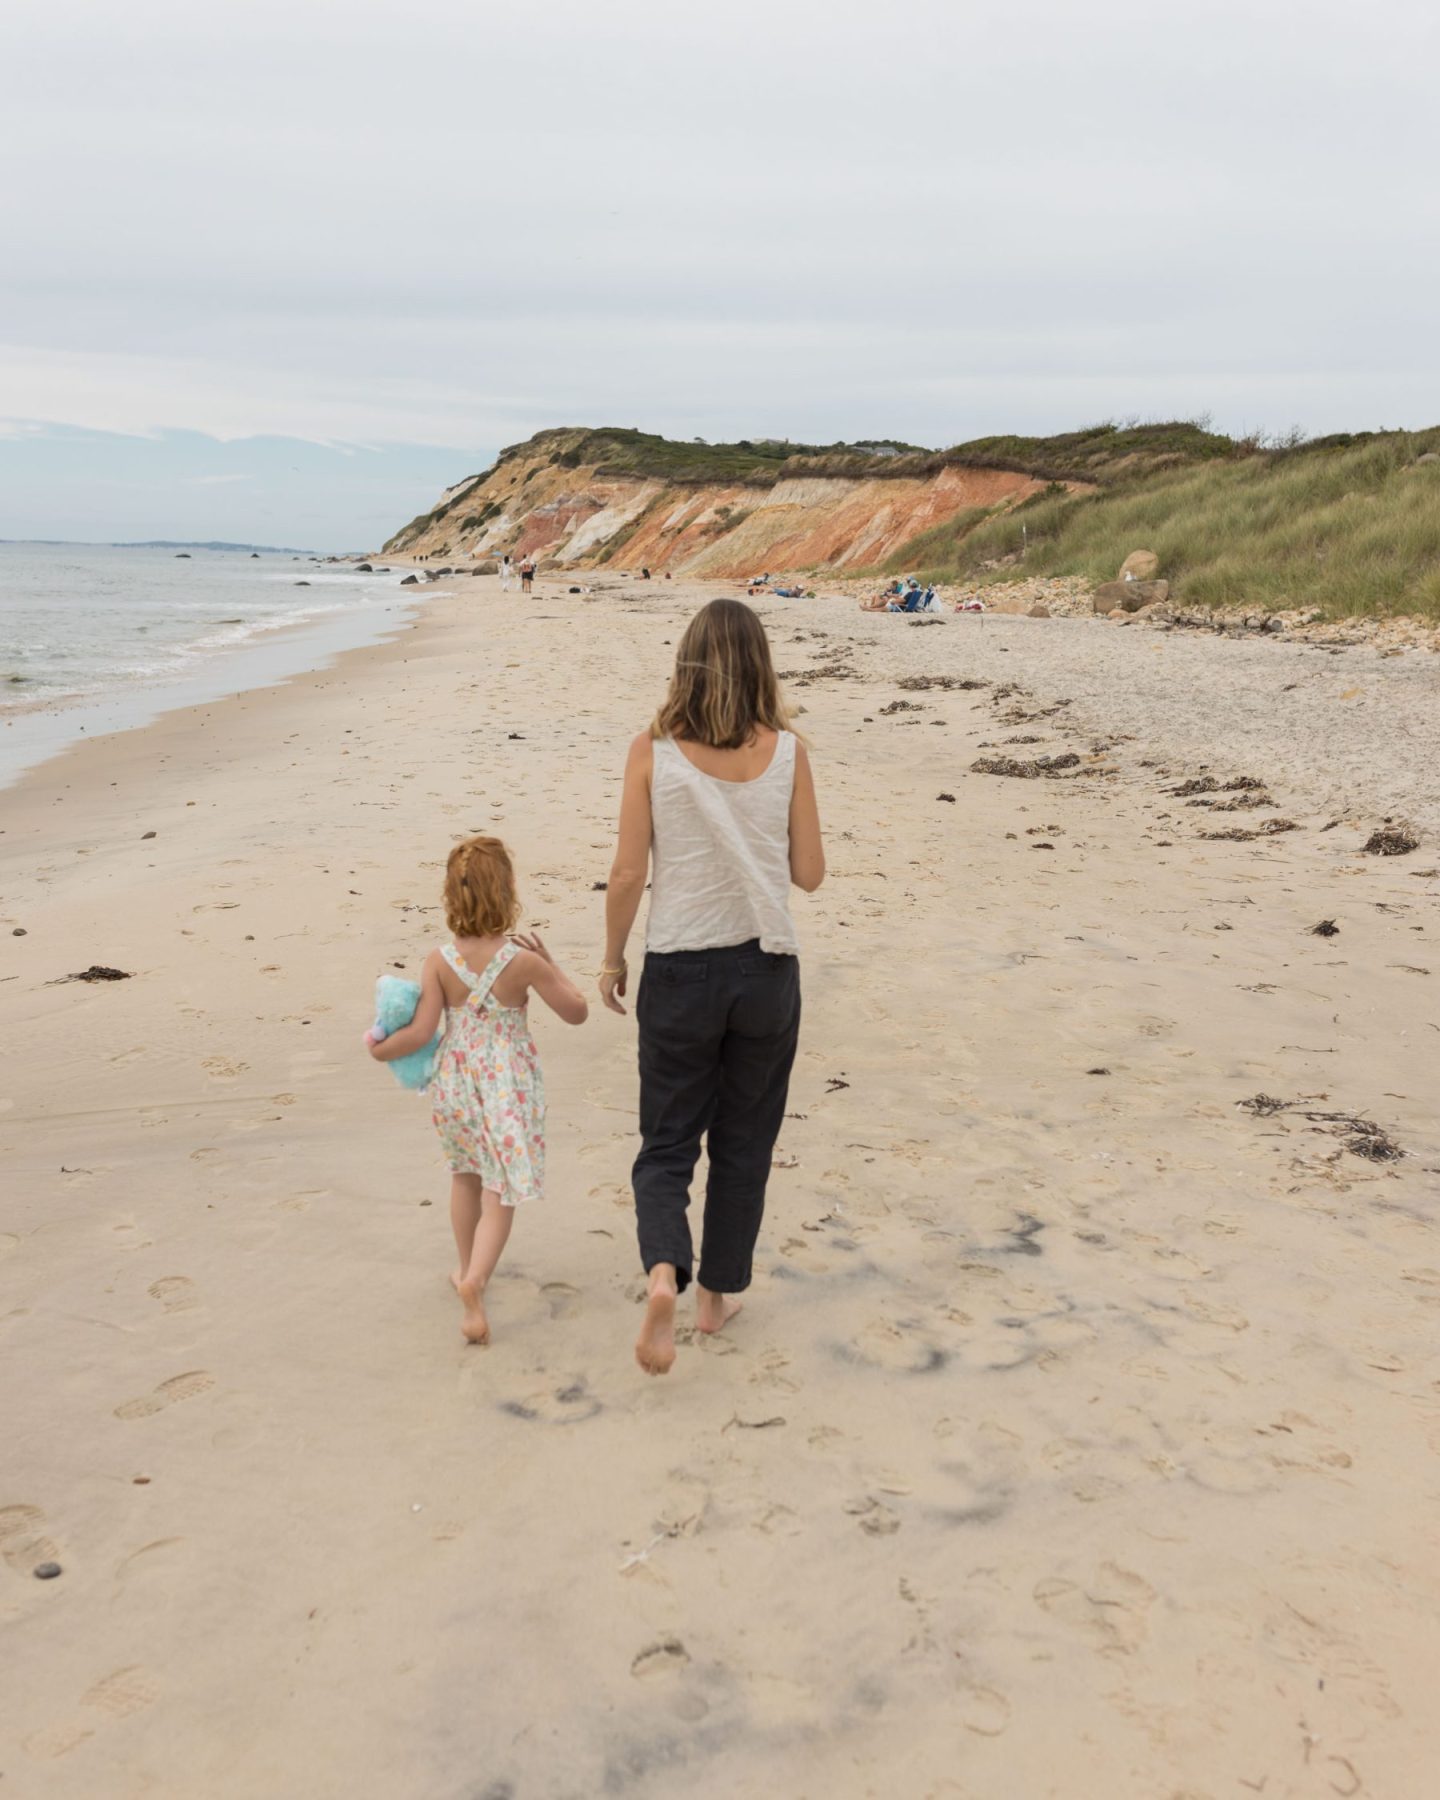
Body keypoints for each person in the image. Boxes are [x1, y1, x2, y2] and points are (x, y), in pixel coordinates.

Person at [599, 598, 826, 1376]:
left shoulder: (650, 751)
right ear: (760, 663)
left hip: (680, 967)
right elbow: (811, 874)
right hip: (765, 969)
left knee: (666, 1142)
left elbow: (629, 872)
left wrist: (611, 957)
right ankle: (714, 1299)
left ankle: (665, 1270)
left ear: (687, 662)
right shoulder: (790, 752)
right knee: (744, 1142)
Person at [366, 836, 588, 1344]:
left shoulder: (439, 961)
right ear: (507, 891)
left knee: (464, 1176)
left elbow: (422, 1032)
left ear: (452, 896)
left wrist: (382, 1050)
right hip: (506, 1085)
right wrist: (553, 966)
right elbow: (576, 1013)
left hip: (455, 1083)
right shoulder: (523, 961)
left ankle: (467, 1271)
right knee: (501, 1189)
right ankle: (475, 1280)